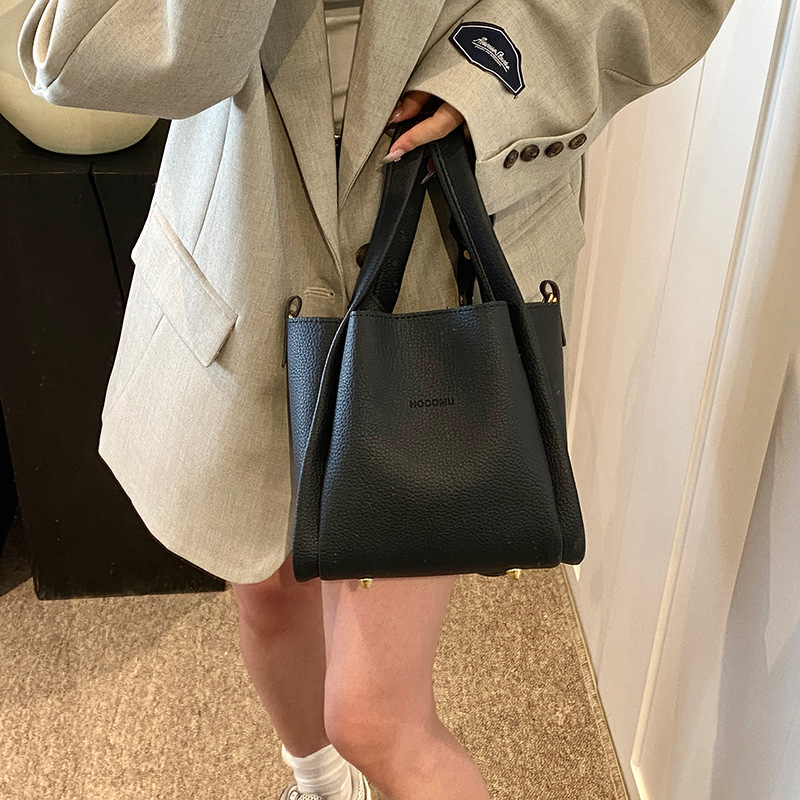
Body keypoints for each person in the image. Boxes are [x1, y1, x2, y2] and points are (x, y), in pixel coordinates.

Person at [18, 0, 738, 798]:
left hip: (447, 240)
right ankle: (323, 787)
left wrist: (497, 70)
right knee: (267, 592)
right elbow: (81, 54)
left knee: (374, 714)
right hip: (245, 239)